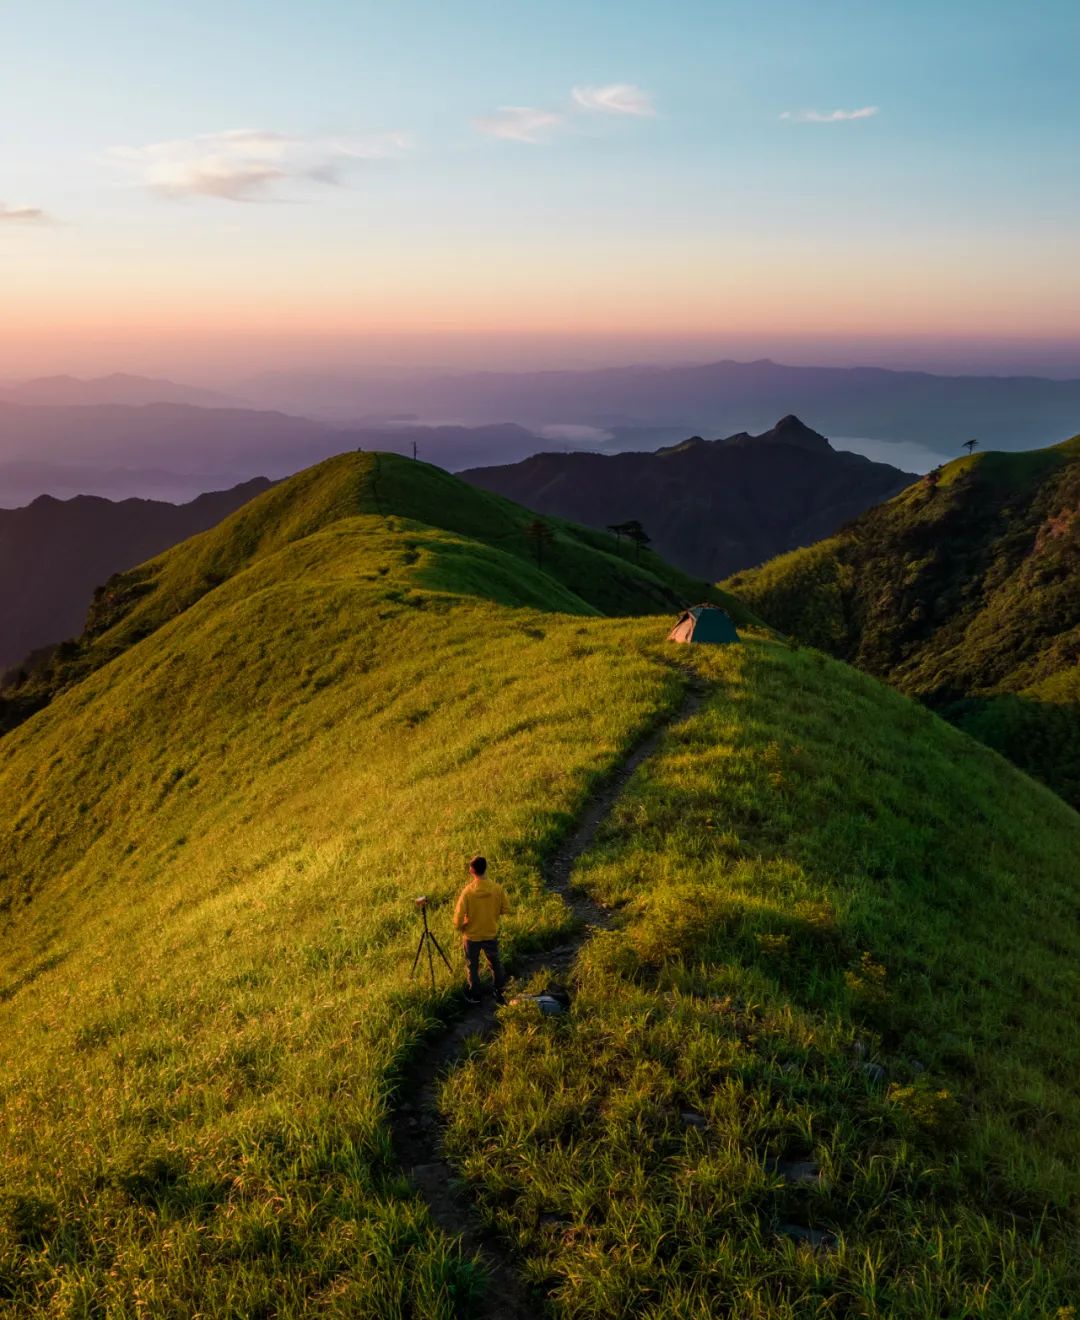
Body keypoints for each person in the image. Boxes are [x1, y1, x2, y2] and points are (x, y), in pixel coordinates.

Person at [453, 855, 510, 1004]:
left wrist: (461, 926)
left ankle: (475, 995)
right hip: (490, 932)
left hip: (472, 936)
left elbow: (458, 917)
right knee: (495, 962)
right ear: (486, 868)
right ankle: (499, 990)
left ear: (472, 870)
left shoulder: (468, 892)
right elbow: (506, 909)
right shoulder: (497, 889)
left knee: (472, 965)